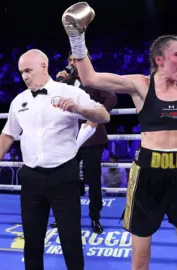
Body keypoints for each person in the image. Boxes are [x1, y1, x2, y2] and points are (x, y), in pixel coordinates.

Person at [62, 3, 177, 269]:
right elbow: (89, 77)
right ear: (160, 59)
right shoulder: (140, 84)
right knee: (140, 259)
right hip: (148, 171)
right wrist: (76, 38)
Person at [0, 49, 110, 270]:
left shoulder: (67, 91)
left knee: (70, 239)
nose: (24, 76)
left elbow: (104, 115)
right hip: (31, 178)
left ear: (44, 66)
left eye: (28, 70)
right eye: (21, 72)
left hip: (64, 175)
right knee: (32, 241)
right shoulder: (19, 100)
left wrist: (80, 109)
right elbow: (7, 135)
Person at [52, 52, 118, 234]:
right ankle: (63, 218)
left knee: (93, 180)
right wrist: (58, 82)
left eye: (76, 59)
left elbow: (112, 98)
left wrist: (96, 116)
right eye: (70, 60)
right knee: (65, 179)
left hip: (91, 136)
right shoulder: (63, 84)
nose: (73, 63)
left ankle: (95, 218)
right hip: (68, 137)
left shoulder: (92, 80)